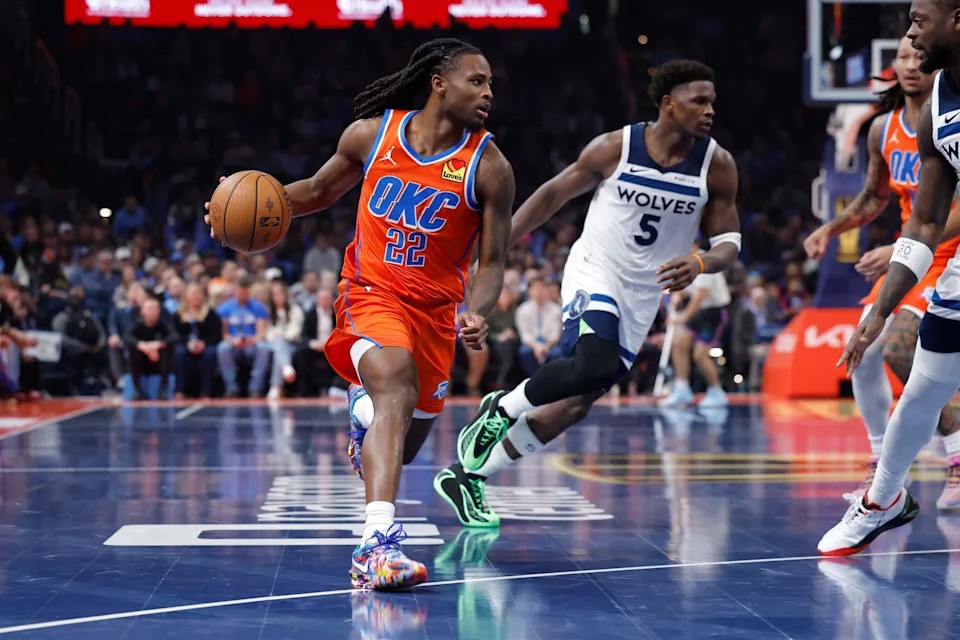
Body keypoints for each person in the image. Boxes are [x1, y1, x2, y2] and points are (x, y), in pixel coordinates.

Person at [205, 38, 513, 589]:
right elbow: (317, 190)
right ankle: (377, 546)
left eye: (490, 83)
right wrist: (238, 209)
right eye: (477, 81)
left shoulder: (489, 167)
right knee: (395, 384)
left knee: (404, 441)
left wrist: (478, 309)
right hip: (371, 292)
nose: (489, 92)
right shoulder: (372, 135)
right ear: (439, 84)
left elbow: (491, 263)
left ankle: (362, 411)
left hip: (436, 312)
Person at [433, 59, 742, 527]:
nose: (709, 111)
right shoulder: (617, 147)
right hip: (596, 269)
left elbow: (729, 244)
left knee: (577, 403)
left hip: (644, 293)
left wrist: (701, 262)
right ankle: (502, 406)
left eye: (712, 102)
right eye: (699, 101)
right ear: (668, 104)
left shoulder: (716, 165)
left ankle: (468, 476)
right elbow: (552, 196)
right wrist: (494, 251)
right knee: (593, 363)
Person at [819, 0, 960, 555]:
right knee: (923, 384)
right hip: (950, 263)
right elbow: (924, 221)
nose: (909, 36)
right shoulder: (938, 107)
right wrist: (878, 310)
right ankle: (883, 499)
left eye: (919, 21)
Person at [661, 240, 732, 407]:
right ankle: (682, 388)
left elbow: (700, 295)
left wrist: (682, 317)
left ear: (694, 244)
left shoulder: (704, 261)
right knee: (678, 342)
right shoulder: (684, 262)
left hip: (712, 313)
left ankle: (717, 391)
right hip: (699, 312)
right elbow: (688, 289)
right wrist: (679, 294)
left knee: (700, 355)